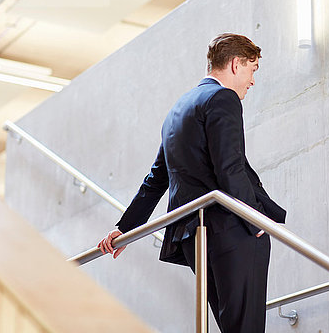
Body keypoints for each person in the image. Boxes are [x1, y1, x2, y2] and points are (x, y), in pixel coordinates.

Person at [98, 33, 286, 333]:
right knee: (245, 326)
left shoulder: (178, 109)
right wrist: (255, 219)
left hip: (193, 234)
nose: (252, 81)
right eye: (252, 70)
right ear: (236, 64)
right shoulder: (222, 98)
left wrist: (126, 227)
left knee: (231, 326)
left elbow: (156, 178)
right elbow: (230, 168)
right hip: (231, 228)